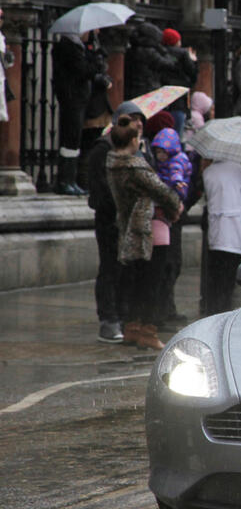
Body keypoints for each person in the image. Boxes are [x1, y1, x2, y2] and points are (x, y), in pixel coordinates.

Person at [106, 115, 182, 350]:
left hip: (128, 227)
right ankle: (148, 331)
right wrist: (176, 206)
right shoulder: (135, 165)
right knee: (152, 281)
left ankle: (132, 326)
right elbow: (162, 191)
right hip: (149, 229)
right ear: (133, 141)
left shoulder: (112, 163)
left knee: (136, 281)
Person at [87, 100, 145, 343]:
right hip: (111, 220)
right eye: (132, 119)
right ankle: (108, 319)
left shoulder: (139, 149)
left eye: (140, 119)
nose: (138, 123)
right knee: (110, 268)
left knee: (128, 271)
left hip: (131, 221)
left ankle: (123, 316)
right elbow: (102, 187)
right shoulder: (103, 149)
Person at [52, 28, 110, 195]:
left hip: (79, 97)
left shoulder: (78, 47)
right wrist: (96, 61)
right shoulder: (69, 47)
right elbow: (83, 71)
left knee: (75, 139)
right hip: (72, 97)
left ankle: (71, 179)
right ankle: (65, 180)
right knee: (70, 138)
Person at [203, 157, 241, 315]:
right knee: (229, 278)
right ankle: (224, 310)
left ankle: (214, 310)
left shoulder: (209, 172)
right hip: (236, 231)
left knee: (216, 277)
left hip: (216, 232)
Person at [149, 126, 192, 328]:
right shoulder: (159, 166)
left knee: (172, 265)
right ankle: (161, 312)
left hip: (171, 216)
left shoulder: (176, 164)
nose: (160, 156)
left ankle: (167, 309)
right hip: (165, 217)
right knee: (167, 265)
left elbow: (178, 182)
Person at [159, 27, 198, 133]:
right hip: (179, 98)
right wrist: (194, 61)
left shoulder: (159, 52)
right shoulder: (183, 54)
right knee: (178, 132)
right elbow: (193, 74)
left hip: (161, 99)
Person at [124, 21, 175, 101]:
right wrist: (164, 51)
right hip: (148, 90)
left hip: (130, 90)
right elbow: (169, 64)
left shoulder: (131, 50)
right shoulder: (150, 52)